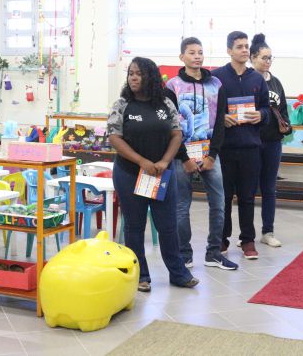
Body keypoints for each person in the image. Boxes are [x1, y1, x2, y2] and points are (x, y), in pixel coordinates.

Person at [107, 57, 200, 292]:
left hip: (160, 174)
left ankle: (179, 274)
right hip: (129, 173)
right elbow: (114, 138)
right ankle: (140, 276)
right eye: (131, 73)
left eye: (139, 74)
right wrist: (142, 162)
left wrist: (165, 161)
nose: (133, 78)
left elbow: (176, 134)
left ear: (151, 77)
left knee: (167, 226)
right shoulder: (122, 104)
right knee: (134, 226)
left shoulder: (165, 103)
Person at [167, 37, 238, 270]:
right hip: (181, 156)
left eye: (200, 52)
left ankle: (214, 252)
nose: (197, 56)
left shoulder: (216, 84)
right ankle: (184, 254)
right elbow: (171, 126)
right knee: (181, 206)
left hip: (210, 154)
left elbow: (219, 123)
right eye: (192, 52)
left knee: (219, 203)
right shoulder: (172, 86)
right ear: (182, 57)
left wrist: (212, 155)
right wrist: (184, 158)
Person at [213, 31, 270, 260]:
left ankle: (248, 240)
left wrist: (261, 115)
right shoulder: (216, 77)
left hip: (250, 148)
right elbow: (209, 109)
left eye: (247, 46)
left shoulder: (257, 78)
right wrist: (221, 118)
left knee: (247, 197)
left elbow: (267, 109)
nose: (245, 50)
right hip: (224, 148)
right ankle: (222, 239)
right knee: (224, 197)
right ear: (229, 50)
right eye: (239, 47)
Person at [250, 33, 291, 248]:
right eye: (264, 58)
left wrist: (286, 125)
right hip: (251, 142)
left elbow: (283, 109)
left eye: (270, 58)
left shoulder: (275, 82)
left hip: (273, 142)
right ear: (253, 58)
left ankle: (268, 231)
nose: (267, 62)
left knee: (269, 188)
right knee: (247, 189)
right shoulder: (247, 80)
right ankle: (246, 235)